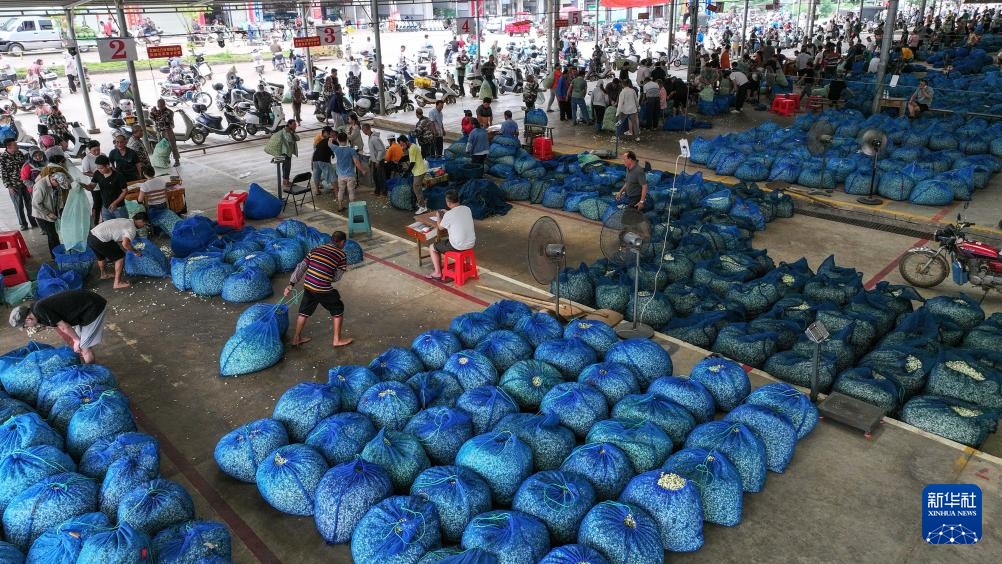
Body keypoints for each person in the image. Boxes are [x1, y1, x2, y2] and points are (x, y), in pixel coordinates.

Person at [284, 230, 352, 347]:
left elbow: (301, 267)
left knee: (304, 312)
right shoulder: (342, 255)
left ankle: (296, 338)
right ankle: (337, 340)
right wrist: (325, 276)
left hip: (309, 286)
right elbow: (337, 277)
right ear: (342, 242)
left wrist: (291, 284)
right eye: (344, 243)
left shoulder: (315, 249)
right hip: (323, 289)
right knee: (338, 310)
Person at [9, 290, 110, 364]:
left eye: (25, 326)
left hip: (93, 307)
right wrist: (75, 340)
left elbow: (64, 326)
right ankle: (88, 364)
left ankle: (92, 374)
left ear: (28, 319)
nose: (27, 327)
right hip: (82, 310)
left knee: (84, 346)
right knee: (80, 344)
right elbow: (58, 324)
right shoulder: (35, 310)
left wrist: (76, 340)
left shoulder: (40, 309)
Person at [87, 213, 148, 289]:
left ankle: (104, 274)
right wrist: (135, 252)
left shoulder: (126, 221)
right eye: (144, 224)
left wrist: (126, 249)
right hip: (100, 239)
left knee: (101, 257)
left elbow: (119, 239)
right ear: (140, 221)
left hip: (91, 236)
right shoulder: (132, 228)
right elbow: (125, 244)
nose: (143, 226)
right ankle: (117, 283)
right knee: (120, 258)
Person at [426, 190, 476, 281]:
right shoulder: (467, 209)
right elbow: (458, 216)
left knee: (432, 247)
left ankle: (437, 273)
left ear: (448, 203)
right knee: (453, 240)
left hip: (457, 246)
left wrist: (438, 216)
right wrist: (447, 213)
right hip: (471, 243)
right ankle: (467, 267)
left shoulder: (449, 214)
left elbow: (440, 227)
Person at [32, 172, 68, 258]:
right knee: (52, 235)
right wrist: (48, 213)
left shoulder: (55, 184)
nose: (59, 186)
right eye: (58, 184)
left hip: (51, 211)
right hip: (42, 215)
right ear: (53, 179)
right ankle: (55, 256)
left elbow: (58, 198)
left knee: (55, 234)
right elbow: (36, 203)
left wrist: (60, 210)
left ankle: (57, 253)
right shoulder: (41, 186)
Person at [330, 131, 367, 211]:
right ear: (347, 139)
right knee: (351, 191)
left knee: (341, 190)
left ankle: (340, 206)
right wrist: (363, 170)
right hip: (350, 175)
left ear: (338, 140)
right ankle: (352, 208)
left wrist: (333, 138)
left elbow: (329, 143)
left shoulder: (336, 149)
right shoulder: (351, 150)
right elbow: (356, 163)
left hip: (340, 175)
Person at [86, 155, 128, 222]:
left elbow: (125, 191)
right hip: (105, 207)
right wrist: (84, 186)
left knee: (123, 226)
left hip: (118, 207)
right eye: (97, 168)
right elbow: (92, 187)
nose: (99, 170)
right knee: (108, 228)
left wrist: (115, 203)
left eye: (101, 168)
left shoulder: (118, 176)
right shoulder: (97, 173)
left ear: (108, 166)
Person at [267, 120, 299, 187]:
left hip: (287, 152)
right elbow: (289, 140)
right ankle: (286, 182)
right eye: (294, 124)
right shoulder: (285, 132)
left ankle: (285, 181)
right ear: (289, 125)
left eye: (295, 124)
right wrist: (291, 133)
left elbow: (298, 138)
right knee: (287, 167)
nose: (295, 126)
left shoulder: (290, 131)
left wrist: (292, 133)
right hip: (285, 152)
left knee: (285, 166)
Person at [150, 99, 180, 167]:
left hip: (168, 131)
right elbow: (152, 119)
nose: (159, 107)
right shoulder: (157, 111)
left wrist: (157, 114)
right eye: (158, 106)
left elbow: (166, 120)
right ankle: (166, 159)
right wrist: (152, 113)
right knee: (162, 147)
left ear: (164, 104)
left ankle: (177, 160)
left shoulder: (169, 112)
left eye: (161, 106)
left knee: (172, 146)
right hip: (159, 132)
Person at [404, 135, 428, 214]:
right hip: (420, 170)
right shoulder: (413, 146)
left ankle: (422, 207)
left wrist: (407, 171)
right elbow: (410, 158)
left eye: (402, 144)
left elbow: (412, 163)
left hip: (419, 171)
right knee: (418, 188)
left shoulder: (412, 149)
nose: (402, 146)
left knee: (416, 188)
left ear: (406, 142)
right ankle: (422, 203)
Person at [363, 122, 388, 196]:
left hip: (379, 161)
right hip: (375, 160)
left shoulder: (374, 138)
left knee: (381, 176)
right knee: (376, 177)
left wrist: (377, 160)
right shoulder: (370, 137)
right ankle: (377, 191)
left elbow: (381, 150)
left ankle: (384, 192)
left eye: (364, 129)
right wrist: (371, 159)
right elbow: (373, 151)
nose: (363, 131)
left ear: (368, 129)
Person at [311, 126, 335, 195]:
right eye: (330, 133)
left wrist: (331, 154)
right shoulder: (320, 138)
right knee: (330, 173)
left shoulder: (323, 137)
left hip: (316, 158)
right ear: (326, 133)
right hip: (321, 158)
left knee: (317, 173)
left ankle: (317, 190)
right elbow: (316, 149)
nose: (331, 134)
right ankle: (334, 188)